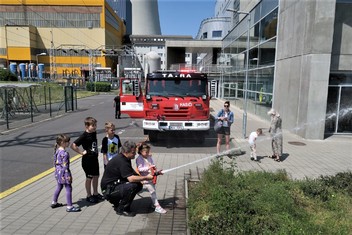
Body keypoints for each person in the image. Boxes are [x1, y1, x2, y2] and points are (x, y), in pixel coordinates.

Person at [100, 141, 154, 217]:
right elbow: (131, 179)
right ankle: (121, 208)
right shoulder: (122, 161)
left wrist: (150, 174)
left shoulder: (125, 157)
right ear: (126, 152)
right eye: (133, 152)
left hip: (114, 186)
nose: (135, 154)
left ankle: (119, 203)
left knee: (138, 184)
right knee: (133, 186)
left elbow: (131, 171)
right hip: (108, 190)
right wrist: (146, 177)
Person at [71, 117, 103, 203]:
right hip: (87, 160)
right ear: (86, 126)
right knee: (89, 177)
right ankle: (89, 195)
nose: (95, 127)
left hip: (94, 159)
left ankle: (95, 193)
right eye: (93, 125)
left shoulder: (94, 133)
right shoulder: (84, 136)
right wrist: (81, 152)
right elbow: (73, 145)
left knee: (96, 176)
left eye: (95, 125)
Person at [51, 134, 81, 212]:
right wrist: (68, 176)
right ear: (62, 142)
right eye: (67, 141)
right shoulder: (64, 153)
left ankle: (54, 202)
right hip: (64, 173)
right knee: (68, 188)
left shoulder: (57, 151)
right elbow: (65, 166)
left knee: (59, 186)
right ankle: (69, 206)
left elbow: (55, 163)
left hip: (58, 172)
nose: (69, 143)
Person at [136, 143, 167, 214]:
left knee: (153, 191)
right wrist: (148, 168)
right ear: (141, 151)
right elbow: (140, 169)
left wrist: (155, 170)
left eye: (148, 151)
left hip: (151, 177)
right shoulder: (139, 159)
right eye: (146, 152)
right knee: (153, 192)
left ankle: (154, 204)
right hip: (145, 179)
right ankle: (157, 206)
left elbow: (152, 163)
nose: (147, 153)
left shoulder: (149, 157)